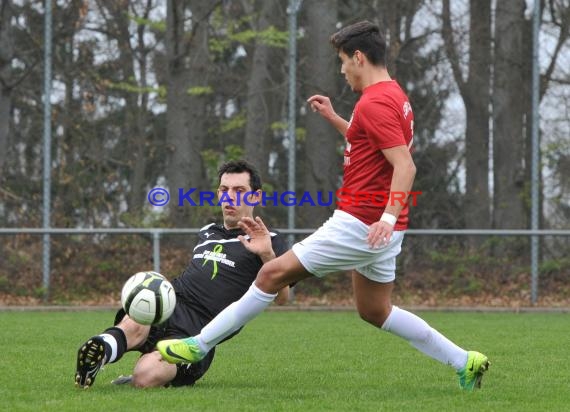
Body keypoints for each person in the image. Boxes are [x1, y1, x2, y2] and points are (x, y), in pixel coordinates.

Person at [157, 21, 490, 391]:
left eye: (343, 60)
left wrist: (386, 216)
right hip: (382, 228)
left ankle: (196, 345)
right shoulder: (393, 95)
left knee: (269, 275)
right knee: (375, 310)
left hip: (361, 223)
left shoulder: (376, 102)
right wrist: (336, 119)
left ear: (359, 57)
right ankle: (465, 361)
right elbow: (370, 144)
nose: (342, 69)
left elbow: (405, 165)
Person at [74, 160, 289, 388]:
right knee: (136, 321)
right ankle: (101, 349)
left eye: (239, 191)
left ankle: (142, 373)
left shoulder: (270, 240)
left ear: (255, 197)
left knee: (144, 376)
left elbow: (283, 299)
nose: (230, 197)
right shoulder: (208, 232)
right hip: (170, 305)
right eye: (225, 190)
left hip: (198, 335)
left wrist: (267, 255)